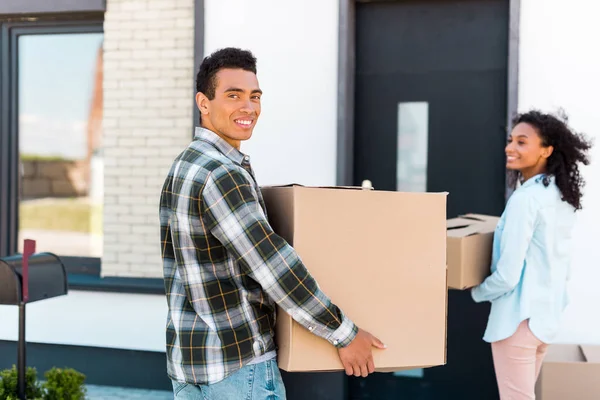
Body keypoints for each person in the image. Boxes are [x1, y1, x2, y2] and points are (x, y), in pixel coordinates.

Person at [159, 47, 385, 399]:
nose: (248, 107)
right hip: (237, 369)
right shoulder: (221, 173)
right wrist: (344, 333)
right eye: (233, 95)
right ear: (203, 103)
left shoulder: (185, 164)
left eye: (255, 96)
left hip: (191, 364)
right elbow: (274, 267)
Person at [471, 110, 593, 399]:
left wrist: (478, 291)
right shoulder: (560, 196)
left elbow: (508, 275)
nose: (510, 147)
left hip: (517, 321)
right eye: (511, 140)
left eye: (522, 142)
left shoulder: (525, 200)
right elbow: (563, 266)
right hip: (544, 322)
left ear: (546, 150)